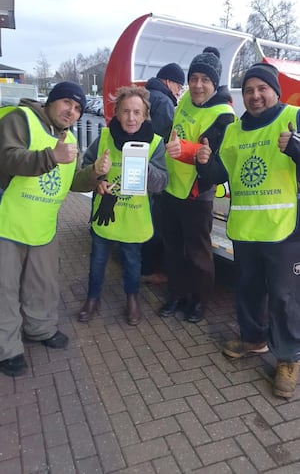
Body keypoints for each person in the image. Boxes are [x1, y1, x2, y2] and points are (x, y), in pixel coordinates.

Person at [196, 62, 300, 399]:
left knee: (284, 296)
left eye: (262, 89)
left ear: (275, 91)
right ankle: (254, 338)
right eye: (249, 90)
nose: (255, 96)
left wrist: (296, 148)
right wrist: (204, 163)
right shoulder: (235, 131)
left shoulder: (294, 118)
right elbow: (220, 175)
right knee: (248, 288)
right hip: (245, 228)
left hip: (285, 229)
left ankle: (288, 358)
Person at [0, 81, 108, 377]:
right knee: (4, 289)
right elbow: (6, 157)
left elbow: (70, 181)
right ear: (51, 101)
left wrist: (94, 174)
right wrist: (50, 157)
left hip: (43, 226)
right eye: (67, 104)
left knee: (42, 285)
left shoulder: (67, 137)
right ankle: (7, 349)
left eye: (77, 109)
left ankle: (39, 329)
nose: (71, 112)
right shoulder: (20, 119)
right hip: (7, 222)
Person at [77, 85, 168, 325]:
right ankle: (92, 299)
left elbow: (162, 183)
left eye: (137, 112)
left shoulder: (156, 143)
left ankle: (132, 299)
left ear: (145, 115)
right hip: (106, 214)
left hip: (134, 217)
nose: (131, 117)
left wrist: (144, 166)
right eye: (125, 111)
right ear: (116, 112)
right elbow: (86, 166)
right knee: (97, 260)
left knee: (132, 261)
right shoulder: (105, 137)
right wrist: (98, 179)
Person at [159, 47, 236, 322]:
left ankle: (199, 301)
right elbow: (173, 134)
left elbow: (219, 159)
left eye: (205, 79)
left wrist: (186, 150)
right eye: (194, 78)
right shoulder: (185, 102)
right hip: (171, 188)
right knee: (172, 249)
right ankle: (176, 295)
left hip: (196, 194)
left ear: (214, 83)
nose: (198, 85)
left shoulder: (224, 114)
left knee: (198, 254)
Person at [141, 62, 185, 284]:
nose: (179, 91)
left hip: (137, 165)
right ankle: (148, 270)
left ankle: (136, 262)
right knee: (153, 222)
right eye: (179, 86)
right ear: (169, 82)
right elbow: (167, 137)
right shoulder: (164, 101)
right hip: (154, 168)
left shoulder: (145, 94)